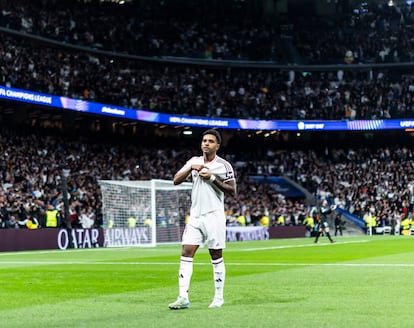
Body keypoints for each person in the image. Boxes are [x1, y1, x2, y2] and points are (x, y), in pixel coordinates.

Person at [168, 129, 237, 310]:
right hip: (196, 216)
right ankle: (183, 297)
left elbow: (232, 191)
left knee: (215, 255)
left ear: (217, 146)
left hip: (214, 216)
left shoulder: (224, 165)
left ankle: (218, 297)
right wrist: (191, 168)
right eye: (204, 140)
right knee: (186, 252)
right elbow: (176, 180)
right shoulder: (193, 161)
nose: (206, 143)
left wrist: (212, 178)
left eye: (211, 141)